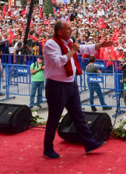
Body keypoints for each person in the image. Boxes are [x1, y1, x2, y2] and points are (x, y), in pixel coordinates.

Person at [43, 20, 112, 159]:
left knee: (79, 116)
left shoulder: (68, 43)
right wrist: (72, 50)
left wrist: (100, 46)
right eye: (68, 28)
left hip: (70, 85)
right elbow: (58, 62)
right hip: (56, 86)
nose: (71, 30)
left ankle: (90, 143)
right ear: (59, 31)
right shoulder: (51, 44)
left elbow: (84, 49)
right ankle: (48, 149)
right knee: (54, 119)